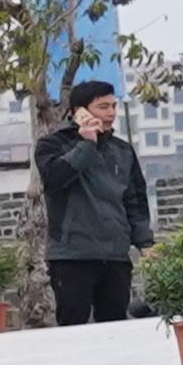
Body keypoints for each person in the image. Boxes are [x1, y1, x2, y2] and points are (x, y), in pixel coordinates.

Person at [32, 82, 149, 324]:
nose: (111, 113)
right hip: (72, 256)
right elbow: (55, 179)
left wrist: (145, 242)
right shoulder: (52, 145)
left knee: (116, 326)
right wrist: (87, 144)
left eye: (114, 106)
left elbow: (134, 201)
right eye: (103, 106)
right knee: (73, 326)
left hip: (115, 256)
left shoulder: (123, 151)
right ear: (79, 111)